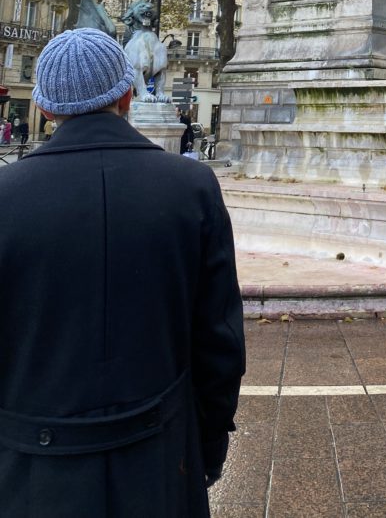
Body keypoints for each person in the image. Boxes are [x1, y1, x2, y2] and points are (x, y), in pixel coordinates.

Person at [0, 28, 245, 517]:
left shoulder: (5, 195)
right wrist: (208, 444)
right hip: (160, 458)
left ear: (46, 110)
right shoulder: (192, 186)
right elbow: (219, 342)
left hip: (29, 466)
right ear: (128, 95)